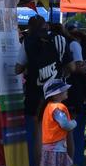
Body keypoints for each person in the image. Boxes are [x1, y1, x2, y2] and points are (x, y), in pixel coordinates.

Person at [16, 14, 67, 154]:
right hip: (57, 91)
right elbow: (71, 66)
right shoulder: (59, 39)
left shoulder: (28, 41)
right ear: (46, 26)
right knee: (57, 129)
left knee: (37, 130)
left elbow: (17, 69)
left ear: (30, 28)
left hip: (35, 91)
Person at [38, 79, 77, 166]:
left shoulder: (50, 107)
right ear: (56, 94)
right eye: (63, 90)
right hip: (55, 144)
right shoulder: (57, 108)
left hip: (51, 144)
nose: (66, 91)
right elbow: (65, 124)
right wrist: (74, 123)